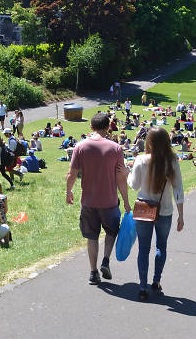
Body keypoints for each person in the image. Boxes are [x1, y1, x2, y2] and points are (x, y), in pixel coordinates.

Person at [66, 113, 131, 285]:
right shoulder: (116, 148)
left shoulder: (80, 147)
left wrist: (68, 191)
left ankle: (93, 272)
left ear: (91, 127)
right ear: (108, 127)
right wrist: (125, 200)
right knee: (111, 232)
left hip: (88, 201)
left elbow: (72, 174)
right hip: (109, 201)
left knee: (92, 237)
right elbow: (120, 178)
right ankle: (106, 260)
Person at [127, 127, 185, 300]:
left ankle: (142, 286)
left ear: (149, 142)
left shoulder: (141, 159)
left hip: (144, 210)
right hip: (165, 210)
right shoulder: (172, 161)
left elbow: (134, 185)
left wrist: (129, 173)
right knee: (161, 247)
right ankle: (156, 281)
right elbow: (178, 190)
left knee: (143, 249)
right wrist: (181, 215)